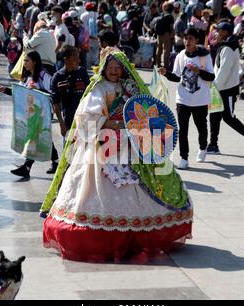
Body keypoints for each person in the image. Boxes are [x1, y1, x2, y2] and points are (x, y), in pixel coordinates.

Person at [41, 47, 193, 262]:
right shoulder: (98, 88)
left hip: (129, 143)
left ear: (123, 69)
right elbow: (86, 117)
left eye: (117, 68)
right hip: (103, 144)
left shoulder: (129, 87)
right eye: (110, 68)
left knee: (136, 188)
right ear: (103, 69)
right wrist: (109, 123)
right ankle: (104, 235)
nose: (113, 71)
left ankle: (135, 233)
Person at [159, 27, 215, 168]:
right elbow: (177, 77)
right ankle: (184, 158)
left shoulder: (204, 56)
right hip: (183, 99)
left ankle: (203, 147)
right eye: (185, 38)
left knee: (201, 128)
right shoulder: (180, 55)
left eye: (190, 38)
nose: (187, 41)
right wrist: (166, 73)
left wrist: (199, 71)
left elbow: (211, 76)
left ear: (197, 41)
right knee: (182, 130)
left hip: (200, 100)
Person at [0, 51, 59, 177]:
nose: (24, 63)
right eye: (24, 61)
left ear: (34, 62)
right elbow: (21, 92)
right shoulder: (26, 76)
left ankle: (26, 167)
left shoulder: (43, 75)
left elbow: (51, 93)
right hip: (30, 113)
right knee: (42, 136)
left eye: (27, 61)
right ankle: (56, 161)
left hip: (42, 113)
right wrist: (6, 90)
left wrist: (38, 90)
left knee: (34, 137)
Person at [207, 22, 244, 155]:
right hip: (220, 88)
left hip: (226, 90)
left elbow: (224, 71)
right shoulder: (226, 46)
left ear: (225, 32)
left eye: (219, 31)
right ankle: (213, 144)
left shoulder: (228, 48)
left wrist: (214, 87)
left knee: (228, 117)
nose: (216, 33)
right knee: (214, 116)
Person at [51, 45, 90, 140]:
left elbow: (90, 95)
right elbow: (55, 104)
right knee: (69, 153)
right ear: (66, 60)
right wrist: (61, 124)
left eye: (78, 57)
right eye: (75, 57)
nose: (79, 60)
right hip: (69, 122)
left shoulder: (83, 72)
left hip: (86, 121)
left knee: (87, 152)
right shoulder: (57, 77)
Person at [155, 2, 175, 68]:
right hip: (166, 34)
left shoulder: (161, 14)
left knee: (159, 48)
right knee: (166, 50)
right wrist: (172, 36)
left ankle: (158, 64)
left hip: (159, 34)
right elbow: (171, 27)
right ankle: (166, 66)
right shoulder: (170, 16)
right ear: (172, 9)